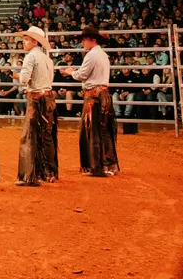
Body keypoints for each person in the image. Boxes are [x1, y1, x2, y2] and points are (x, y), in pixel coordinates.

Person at [63, 25, 119, 177]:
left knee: (92, 130)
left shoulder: (91, 55)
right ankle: (110, 163)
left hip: (94, 97)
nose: (82, 43)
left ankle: (97, 166)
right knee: (105, 130)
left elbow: (82, 75)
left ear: (91, 40)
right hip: (104, 94)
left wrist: (71, 72)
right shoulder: (102, 55)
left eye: (84, 40)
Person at [11, 25, 58, 186]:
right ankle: (49, 172)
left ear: (34, 41)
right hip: (48, 97)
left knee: (29, 136)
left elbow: (24, 79)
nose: (24, 42)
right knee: (47, 136)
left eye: (26, 39)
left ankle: (30, 175)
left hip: (37, 100)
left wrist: (18, 77)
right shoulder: (47, 59)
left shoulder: (30, 57)